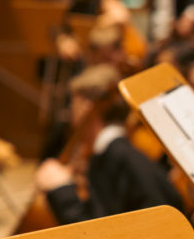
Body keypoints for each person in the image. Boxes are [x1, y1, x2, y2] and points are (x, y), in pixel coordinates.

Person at [34, 64, 183, 224]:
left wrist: (61, 190)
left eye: (73, 105)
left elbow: (99, 232)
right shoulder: (114, 152)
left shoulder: (115, 157)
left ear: (86, 107)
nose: (71, 114)